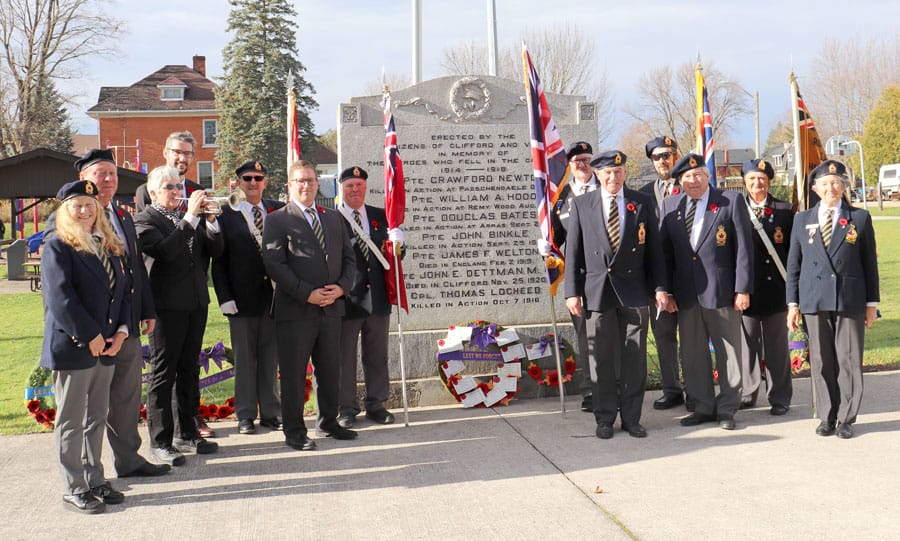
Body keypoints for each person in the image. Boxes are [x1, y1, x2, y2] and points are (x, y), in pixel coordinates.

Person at [74, 149, 170, 478]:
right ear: (83, 180)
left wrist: (146, 309)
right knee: (92, 405)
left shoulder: (124, 215)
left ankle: (129, 459)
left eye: (112, 173)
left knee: (127, 396)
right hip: (93, 330)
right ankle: (89, 472)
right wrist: (90, 330)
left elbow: (135, 270)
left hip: (126, 324)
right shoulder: (72, 219)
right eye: (100, 174)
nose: (109, 180)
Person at [40, 180, 129, 513]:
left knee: (96, 417)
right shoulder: (57, 246)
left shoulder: (107, 244)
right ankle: (74, 486)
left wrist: (119, 332)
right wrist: (90, 335)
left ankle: (95, 479)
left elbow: (122, 292)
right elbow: (61, 299)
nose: (85, 210)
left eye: (90, 204)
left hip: (106, 346)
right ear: (65, 210)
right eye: (77, 205)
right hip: (75, 347)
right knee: (71, 420)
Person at [565, 151, 668, 439]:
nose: (613, 178)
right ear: (597, 174)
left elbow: (655, 251)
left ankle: (632, 418)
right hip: (598, 293)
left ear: (625, 173)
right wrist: (572, 292)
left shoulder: (641, 202)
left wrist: (660, 287)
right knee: (602, 360)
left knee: (634, 359)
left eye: (618, 172)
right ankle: (605, 418)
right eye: (607, 173)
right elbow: (572, 251)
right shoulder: (582, 204)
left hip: (633, 291)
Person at [262, 160, 357, 451]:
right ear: (289, 185)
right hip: (295, 312)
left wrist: (340, 288)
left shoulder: (333, 217)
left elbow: (350, 259)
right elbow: (275, 265)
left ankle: (329, 423)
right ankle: (294, 431)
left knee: (330, 370)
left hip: (331, 308)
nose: (306, 185)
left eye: (311, 180)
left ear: (318, 184)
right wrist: (308, 294)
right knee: (293, 374)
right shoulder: (277, 219)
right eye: (300, 181)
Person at [135, 165, 223, 465]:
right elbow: (166, 252)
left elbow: (215, 251)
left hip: (196, 302)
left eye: (179, 186)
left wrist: (211, 222)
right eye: (170, 187)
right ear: (153, 191)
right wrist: (190, 218)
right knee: (163, 373)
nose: (177, 192)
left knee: (189, 369)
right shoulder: (146, 219)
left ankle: (187, 433)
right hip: (166, 307)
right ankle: (160, 441)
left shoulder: (192, 217)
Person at [786, 160, 879, 439]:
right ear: (815, 188)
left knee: (849, 359)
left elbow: (869, 265)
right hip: (814, 300)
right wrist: (793, 304)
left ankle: (847, 418)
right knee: (823, 360)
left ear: (843, 186)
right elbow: (794, 264)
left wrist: (871, 304)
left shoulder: (858, 218)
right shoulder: (802, 219)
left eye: (836, 183)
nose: (831, 188)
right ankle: (827, 415)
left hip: (849, 298)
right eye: (825, 183)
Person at [659, 153, 753, 430]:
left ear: (708, 176)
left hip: (722, 292)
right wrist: (666, 290)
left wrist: (742, 288)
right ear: (679, 181)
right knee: (692, 353)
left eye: (698, 174)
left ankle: (726, 409)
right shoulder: (670, 205)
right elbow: (664, 254)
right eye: (687, 176)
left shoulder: (730, 201)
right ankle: (702, 406)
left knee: (729, 352)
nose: (693, 180)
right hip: (686, 295)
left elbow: (744, 250)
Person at [212, 160, 284, 434]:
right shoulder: (226, 213)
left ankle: (270, 412)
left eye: (258, 178)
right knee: (244, 360)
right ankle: (244, 415)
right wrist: (224, 297)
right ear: (238, 182)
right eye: (247, 178)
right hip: (241, 299)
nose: (253, 183)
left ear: (265, 181)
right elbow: (218, 260)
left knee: (270, 358)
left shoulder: (278, 210)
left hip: (275, 298)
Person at [336, 166, 403, 428]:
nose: (354, 190)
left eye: (359, 185)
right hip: (347, 299)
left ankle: (376, 404)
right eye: (350, 185)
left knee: (377, 355)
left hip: (377, 297)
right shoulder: (334, 217)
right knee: (345, 356)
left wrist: (400, 244)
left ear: (365, 187)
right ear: (341, 188)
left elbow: (390, 256)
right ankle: (347, 408)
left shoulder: (380, 215)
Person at [537, 141, 598, 412]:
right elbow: (558, 241)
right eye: (577, 162)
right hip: (581, 278)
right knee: (588, 337)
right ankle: (592, 390)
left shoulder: (606, 188)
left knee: (616, 336)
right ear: (569, 166)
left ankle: (618, 386)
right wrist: (547, 249)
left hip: (610, 276)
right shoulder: (561, 198)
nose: (582, 165)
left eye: (586, 159)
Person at [738, 159, 793, 415]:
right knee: (747, 346)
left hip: (776, 290)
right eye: (751, 179)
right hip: (747, 290)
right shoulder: (736, 208)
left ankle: (780, 397)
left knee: (777, 349)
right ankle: (748, 393)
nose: (756, 183)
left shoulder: (784, 209)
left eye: (761, 178)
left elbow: (793, 252)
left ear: (769, 181)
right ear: (744, 182)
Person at [639, 136, 688, 411]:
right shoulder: (643, 195)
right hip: (657, 280)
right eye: (658, 157)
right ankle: (672, 389)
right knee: (664, 336)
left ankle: (695, 388)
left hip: (689, 278)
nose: (663, 160)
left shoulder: (691, 186)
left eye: (668, 155)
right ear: (652, 161)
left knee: (692, 338)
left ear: (676, 156)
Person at [135, 131, 204, 215]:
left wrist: (211, 220)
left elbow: (204, 226)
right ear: (165, 153)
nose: (182, 158)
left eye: (187, 153)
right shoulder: (145, 190)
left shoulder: (198, 190)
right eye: (177, 152)